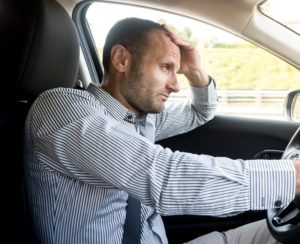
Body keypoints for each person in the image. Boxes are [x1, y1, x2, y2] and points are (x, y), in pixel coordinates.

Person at [24, 17, 300, 244]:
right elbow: (164, 177)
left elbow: (199, 112)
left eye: (176, 71)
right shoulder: (61, 109)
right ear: (121, 59)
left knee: (274, 235)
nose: (175, 85)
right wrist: (292, 177)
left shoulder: (141, 118)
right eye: (166, 67)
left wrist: (194, 71)